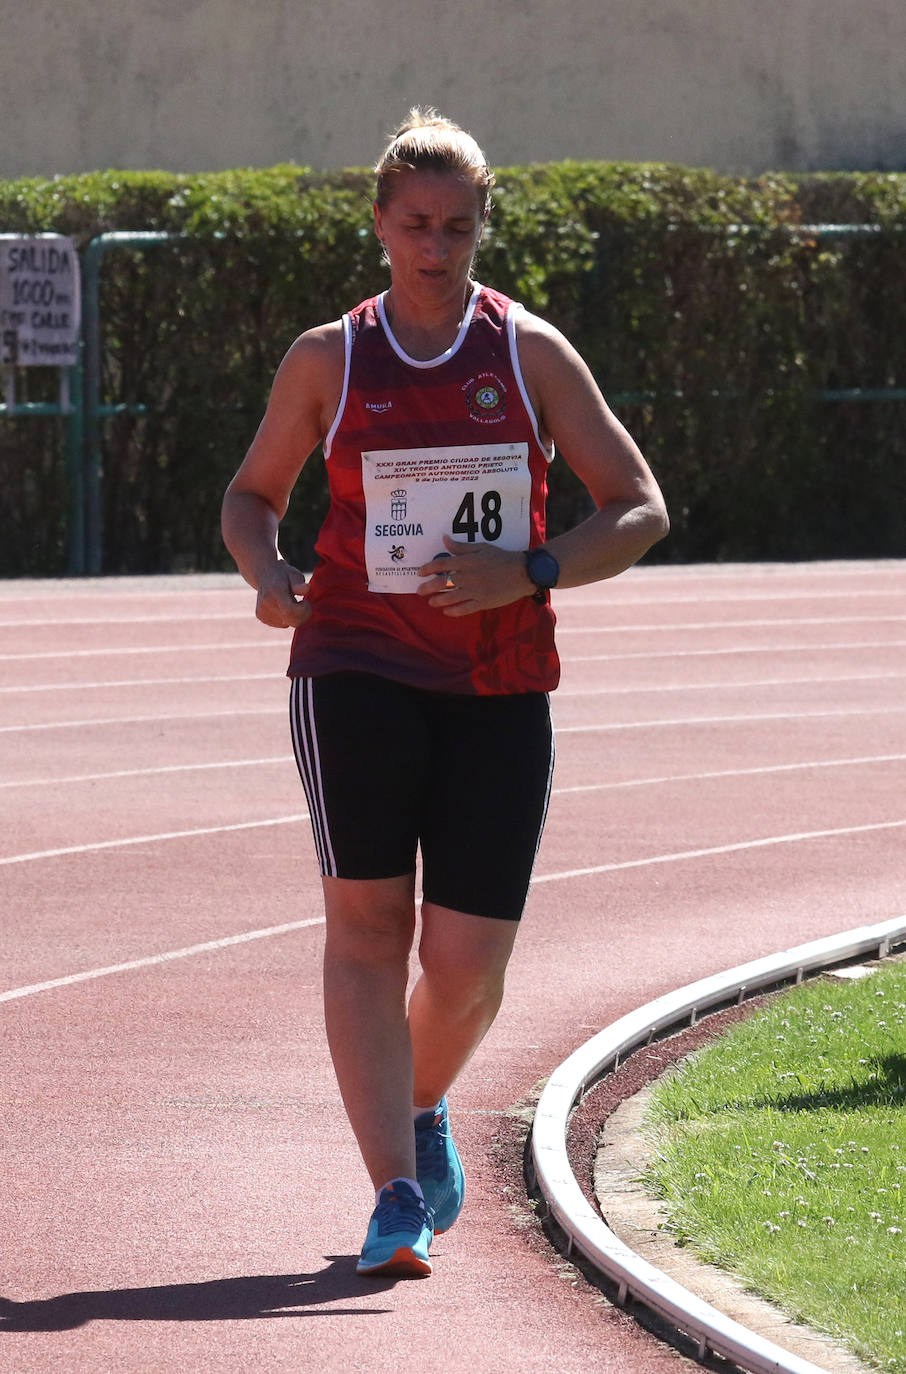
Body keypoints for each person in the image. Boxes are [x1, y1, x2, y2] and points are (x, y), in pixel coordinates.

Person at [221, 108, 669, 1279]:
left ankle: (414, 1106)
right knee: (367, 929)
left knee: (469, 964)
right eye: (416, 224)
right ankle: (393, 1193)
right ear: (379, 225)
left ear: (481, 228)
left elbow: (637, 504)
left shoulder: (527, 354)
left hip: (497, 677)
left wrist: (529, 564)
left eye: (457, 226)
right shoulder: (331, 357)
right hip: (356, 667)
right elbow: (252, 495)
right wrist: (271, 576)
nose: (436, 246)